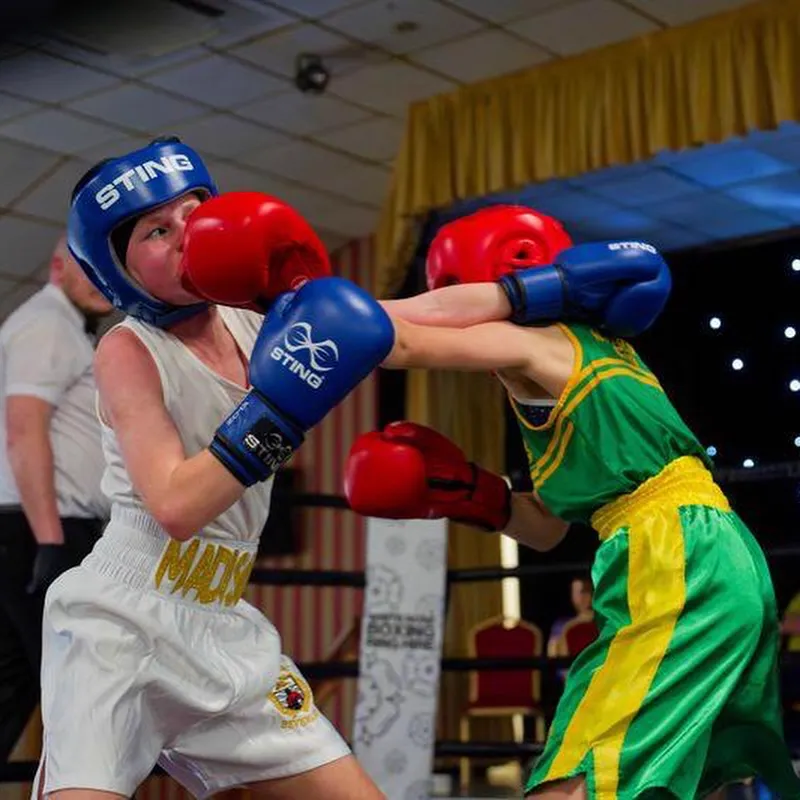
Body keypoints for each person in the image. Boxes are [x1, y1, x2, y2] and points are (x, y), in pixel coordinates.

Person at [340, 207, 800, 799]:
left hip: (675, 555)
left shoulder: (540, 342)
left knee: (578, 774)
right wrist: (469, 491)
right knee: (675, 774)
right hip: (713, 553)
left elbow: (395, 341)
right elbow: (547, 531)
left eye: (451, 291)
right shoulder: (595, 361)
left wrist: (297, 311)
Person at [34, 137, 395, 800]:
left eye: (194, 212)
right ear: (118, 267)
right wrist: (280, 413)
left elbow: (395, 328)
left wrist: (532, 293)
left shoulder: (255, 317)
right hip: (121, 618)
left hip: (221, 620)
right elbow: (174, 505)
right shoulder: (128, 349)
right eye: (155, 229)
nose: (184, 235)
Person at [0, 238, 112, 761]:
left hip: (36, 527)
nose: (98, 276)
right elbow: (24, 432)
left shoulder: (67, 329)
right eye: (85, 265)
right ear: (57, 266)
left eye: (105, 266)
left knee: (13, 685)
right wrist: (52, 543)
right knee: (82, 693)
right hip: (42, 527)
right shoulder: (46, 323)